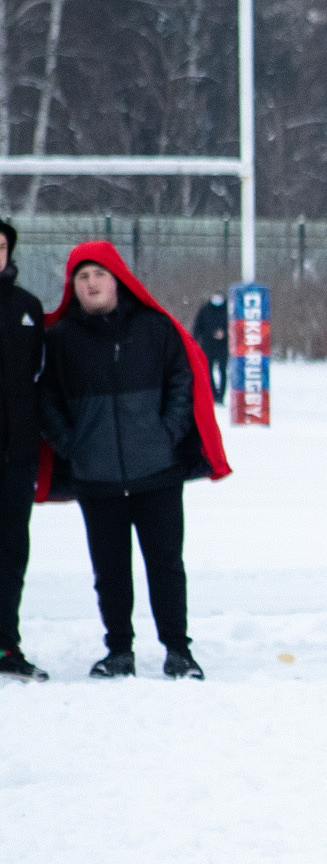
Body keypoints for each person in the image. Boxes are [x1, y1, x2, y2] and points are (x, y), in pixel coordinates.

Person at [36, 241, 230, 677]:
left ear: (117, 278)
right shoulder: (61, 338)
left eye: (98, 274)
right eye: (82, 278)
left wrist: (166, 433)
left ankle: (178, 650)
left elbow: (182, 381)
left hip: (157, 471)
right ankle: (119, 650)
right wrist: (73, 445)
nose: (91, 284)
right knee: (110, 570)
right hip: (96, 475)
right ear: (74, 287)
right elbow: (45, 400)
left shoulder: (154, 328)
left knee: (165, 564)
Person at [1, 218, 47, 678]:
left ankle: (5, 646)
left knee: (11, 551)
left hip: (16, 454)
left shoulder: (27, 307)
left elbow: (39, 377)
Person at [190, 293, 229, 404]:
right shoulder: (205, 309)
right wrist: (194, 340)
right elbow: (198, 326)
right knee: (208, 370)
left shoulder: (228, 310)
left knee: (222, 370)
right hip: (208, 345)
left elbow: (232, 326)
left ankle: (221, 395)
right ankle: (213, 393)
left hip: (222, 346)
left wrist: (224, 334)